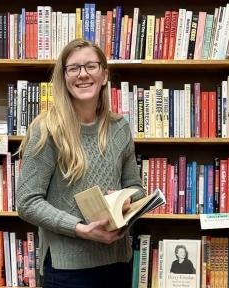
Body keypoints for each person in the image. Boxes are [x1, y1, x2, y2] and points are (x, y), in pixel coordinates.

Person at [16, 39, 144, 288]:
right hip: (67, 269)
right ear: (64, 77)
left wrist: (126, 200)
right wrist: (79, 228)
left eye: (91, 66)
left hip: (117, 262)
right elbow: (26, 202)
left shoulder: (120, 128)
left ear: (104, 74)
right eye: (73, 68)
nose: (83, 74)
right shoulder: (47, 130)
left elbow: (136, 187)